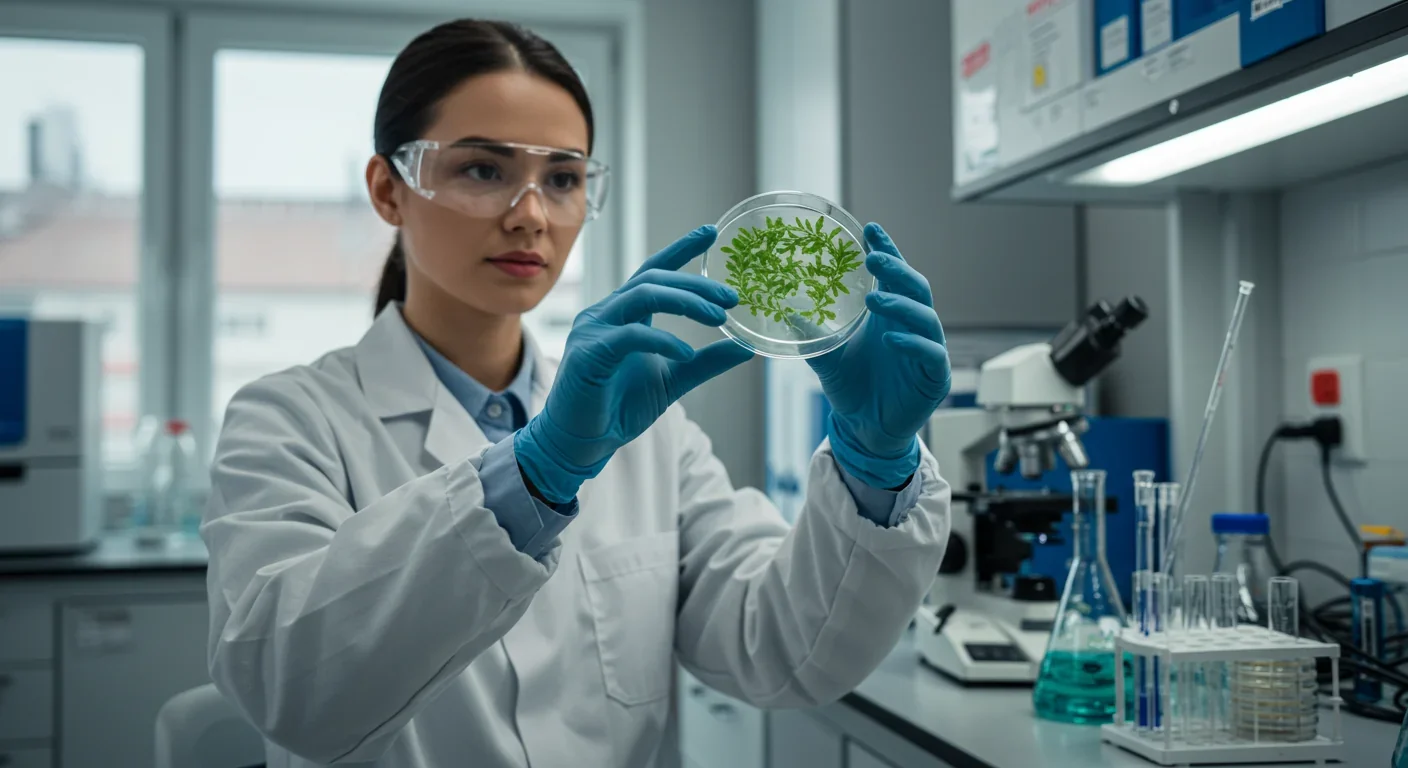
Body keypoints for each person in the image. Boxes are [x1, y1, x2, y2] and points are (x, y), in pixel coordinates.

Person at [203, 18, 953, 768]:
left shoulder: (651, 433)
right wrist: (539, 470)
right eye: (481, 170)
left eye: (562, 179)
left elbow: (780, 650)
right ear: (387, 191)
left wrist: (874, 458)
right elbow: (286, 689)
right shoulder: (288, 420)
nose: (530, 213)